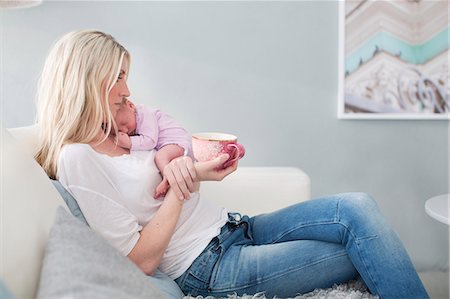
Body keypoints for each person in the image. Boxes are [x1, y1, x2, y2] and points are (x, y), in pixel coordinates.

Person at [34, 29, 429, 299]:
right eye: (119, 76)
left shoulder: (124, 127)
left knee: (357, 207)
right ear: (91, 81)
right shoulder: (79, 159)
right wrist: (183, 185)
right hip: (208, 267)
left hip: (235, 227)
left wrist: (197, 165)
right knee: (360, 250)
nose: (127, 89)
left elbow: (173, 137)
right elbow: (140, 261)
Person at [114, 98, 192, 198]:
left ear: (131, 105)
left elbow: (150, 141)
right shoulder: (135, 119)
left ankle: (168, 179)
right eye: (120, 130)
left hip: (177, 141)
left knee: (160, 157)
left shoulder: (144, 114)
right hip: (172, 144)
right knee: (175, 166)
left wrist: (129, 142)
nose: (125, 130)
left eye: (124, 123)